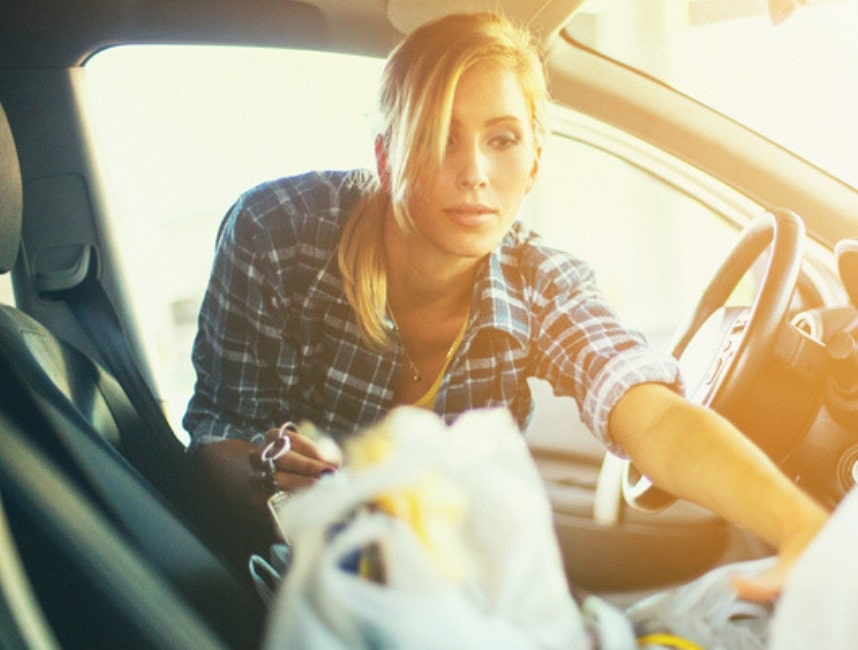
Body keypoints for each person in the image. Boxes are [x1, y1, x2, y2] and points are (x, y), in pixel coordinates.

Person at [184, 11, 825, 601]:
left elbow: (652, 418)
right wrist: (265, 468)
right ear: (386, 156)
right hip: (276, 590)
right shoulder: (278, 233)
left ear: (535, 160)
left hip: (448, 592)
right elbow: (217, 436)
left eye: (502, 139)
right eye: (441, 137)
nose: (474, 173)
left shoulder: (542, 283)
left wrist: (801, 528)